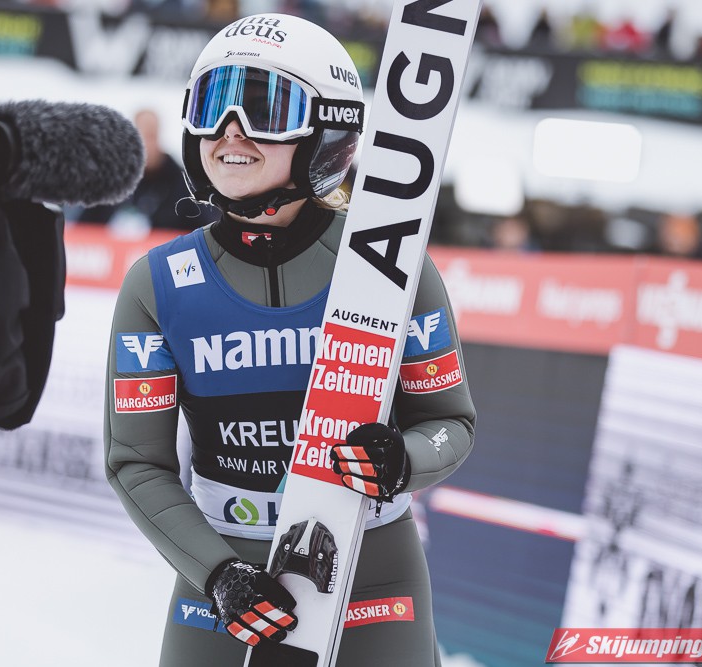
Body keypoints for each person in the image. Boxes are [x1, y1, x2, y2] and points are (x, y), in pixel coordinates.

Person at [104, 13, 476, 666]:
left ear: (326, 130)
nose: (230, 131)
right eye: (212, 106)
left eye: (263, 109)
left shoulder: (390, 266)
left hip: (372, 575)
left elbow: (450, 425)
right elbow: (137, 463)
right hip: (224, 581)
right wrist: (220, 573)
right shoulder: (158, 284)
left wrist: (400, 459)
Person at [66, 108, 218, 232]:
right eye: (140, 136)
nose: (146, 144)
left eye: (150, 136)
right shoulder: (111, 179)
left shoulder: (182, 184)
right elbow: (83, 228)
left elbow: (203, 229)